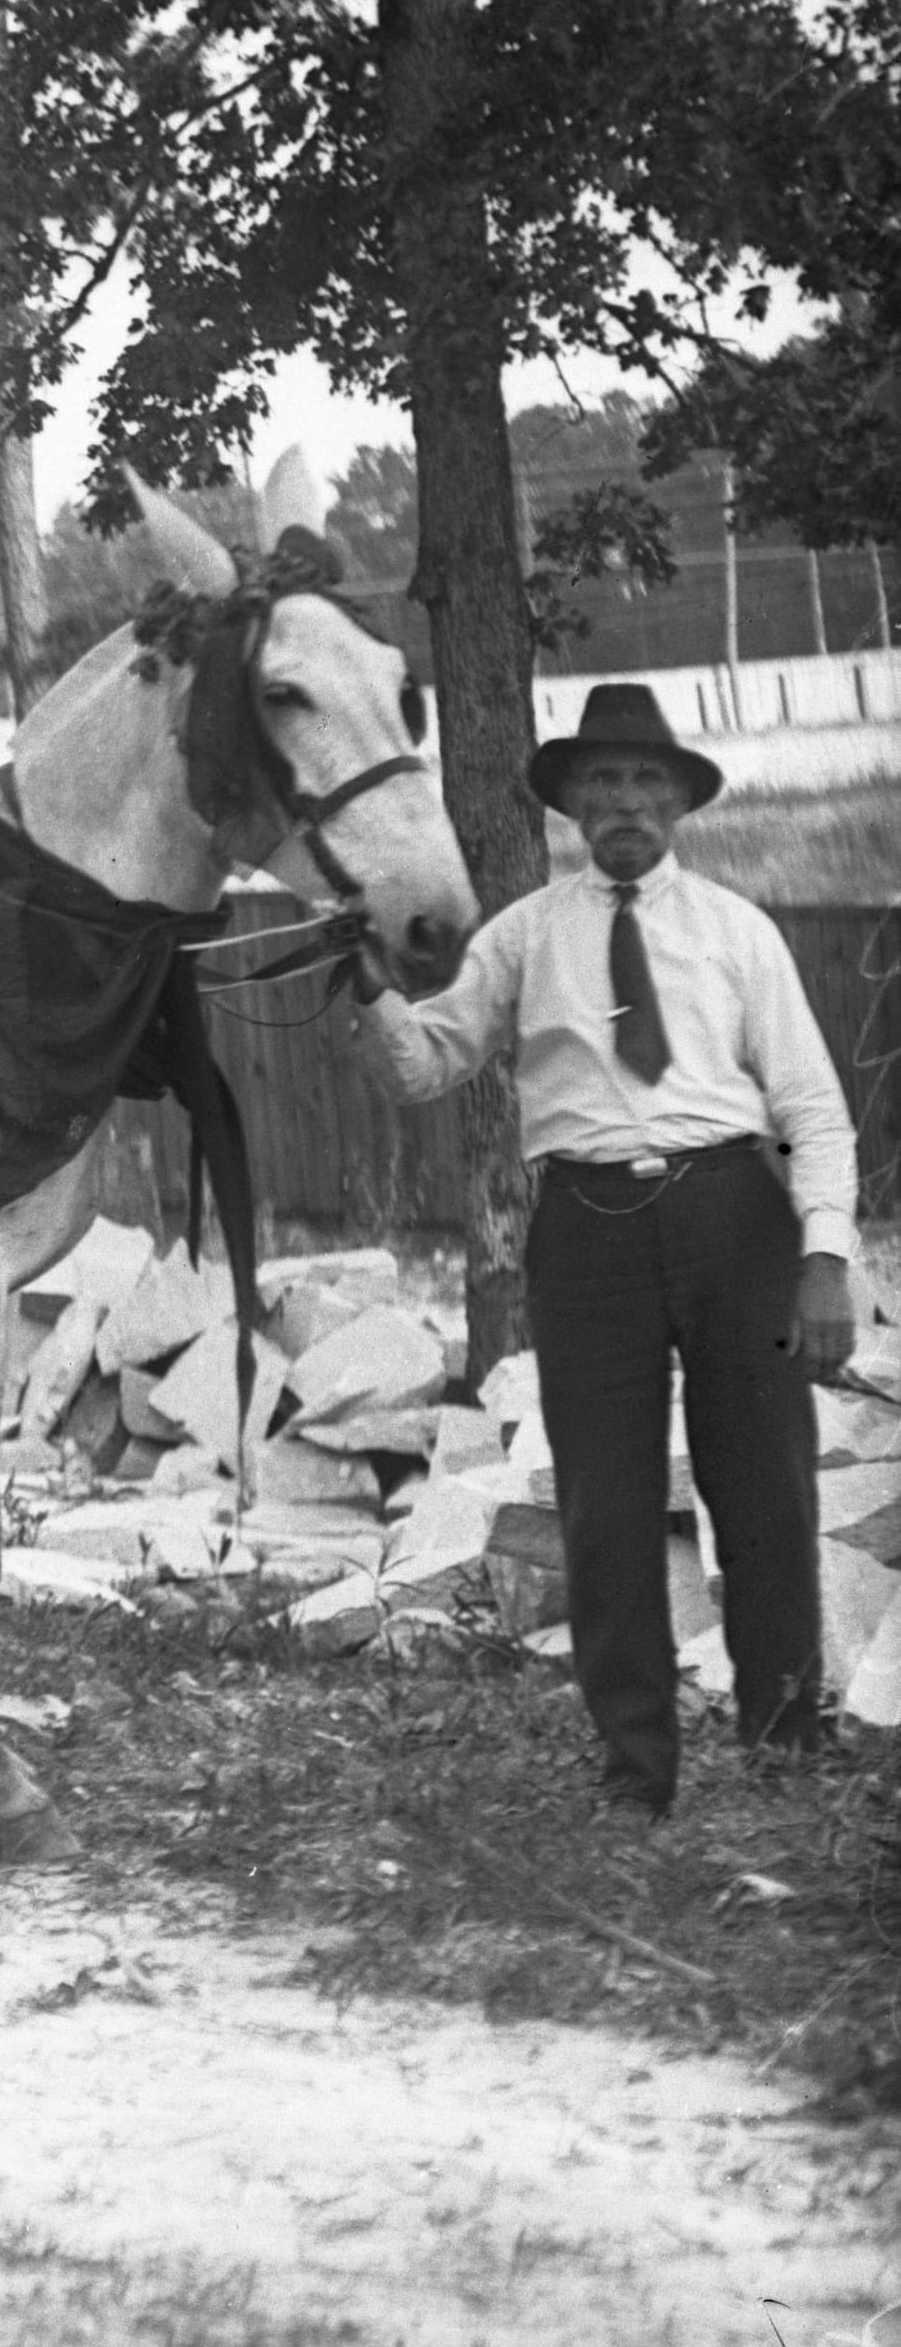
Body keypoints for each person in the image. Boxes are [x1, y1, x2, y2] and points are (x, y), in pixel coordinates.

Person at [356, 683, 861, 1814]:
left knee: (767, 1487)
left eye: (646, 781)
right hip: (586, 1232)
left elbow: (814, 1111)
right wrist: (365, 984)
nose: (625, 802)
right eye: (604, 782)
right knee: (605, 1499)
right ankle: (636, 1769)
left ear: (679, 800)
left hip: (737, 1219)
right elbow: (425, 1064)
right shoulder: (525, 934)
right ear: (572, 803)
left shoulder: (740, 931)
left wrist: (824, 1256)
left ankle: (785, 1746)